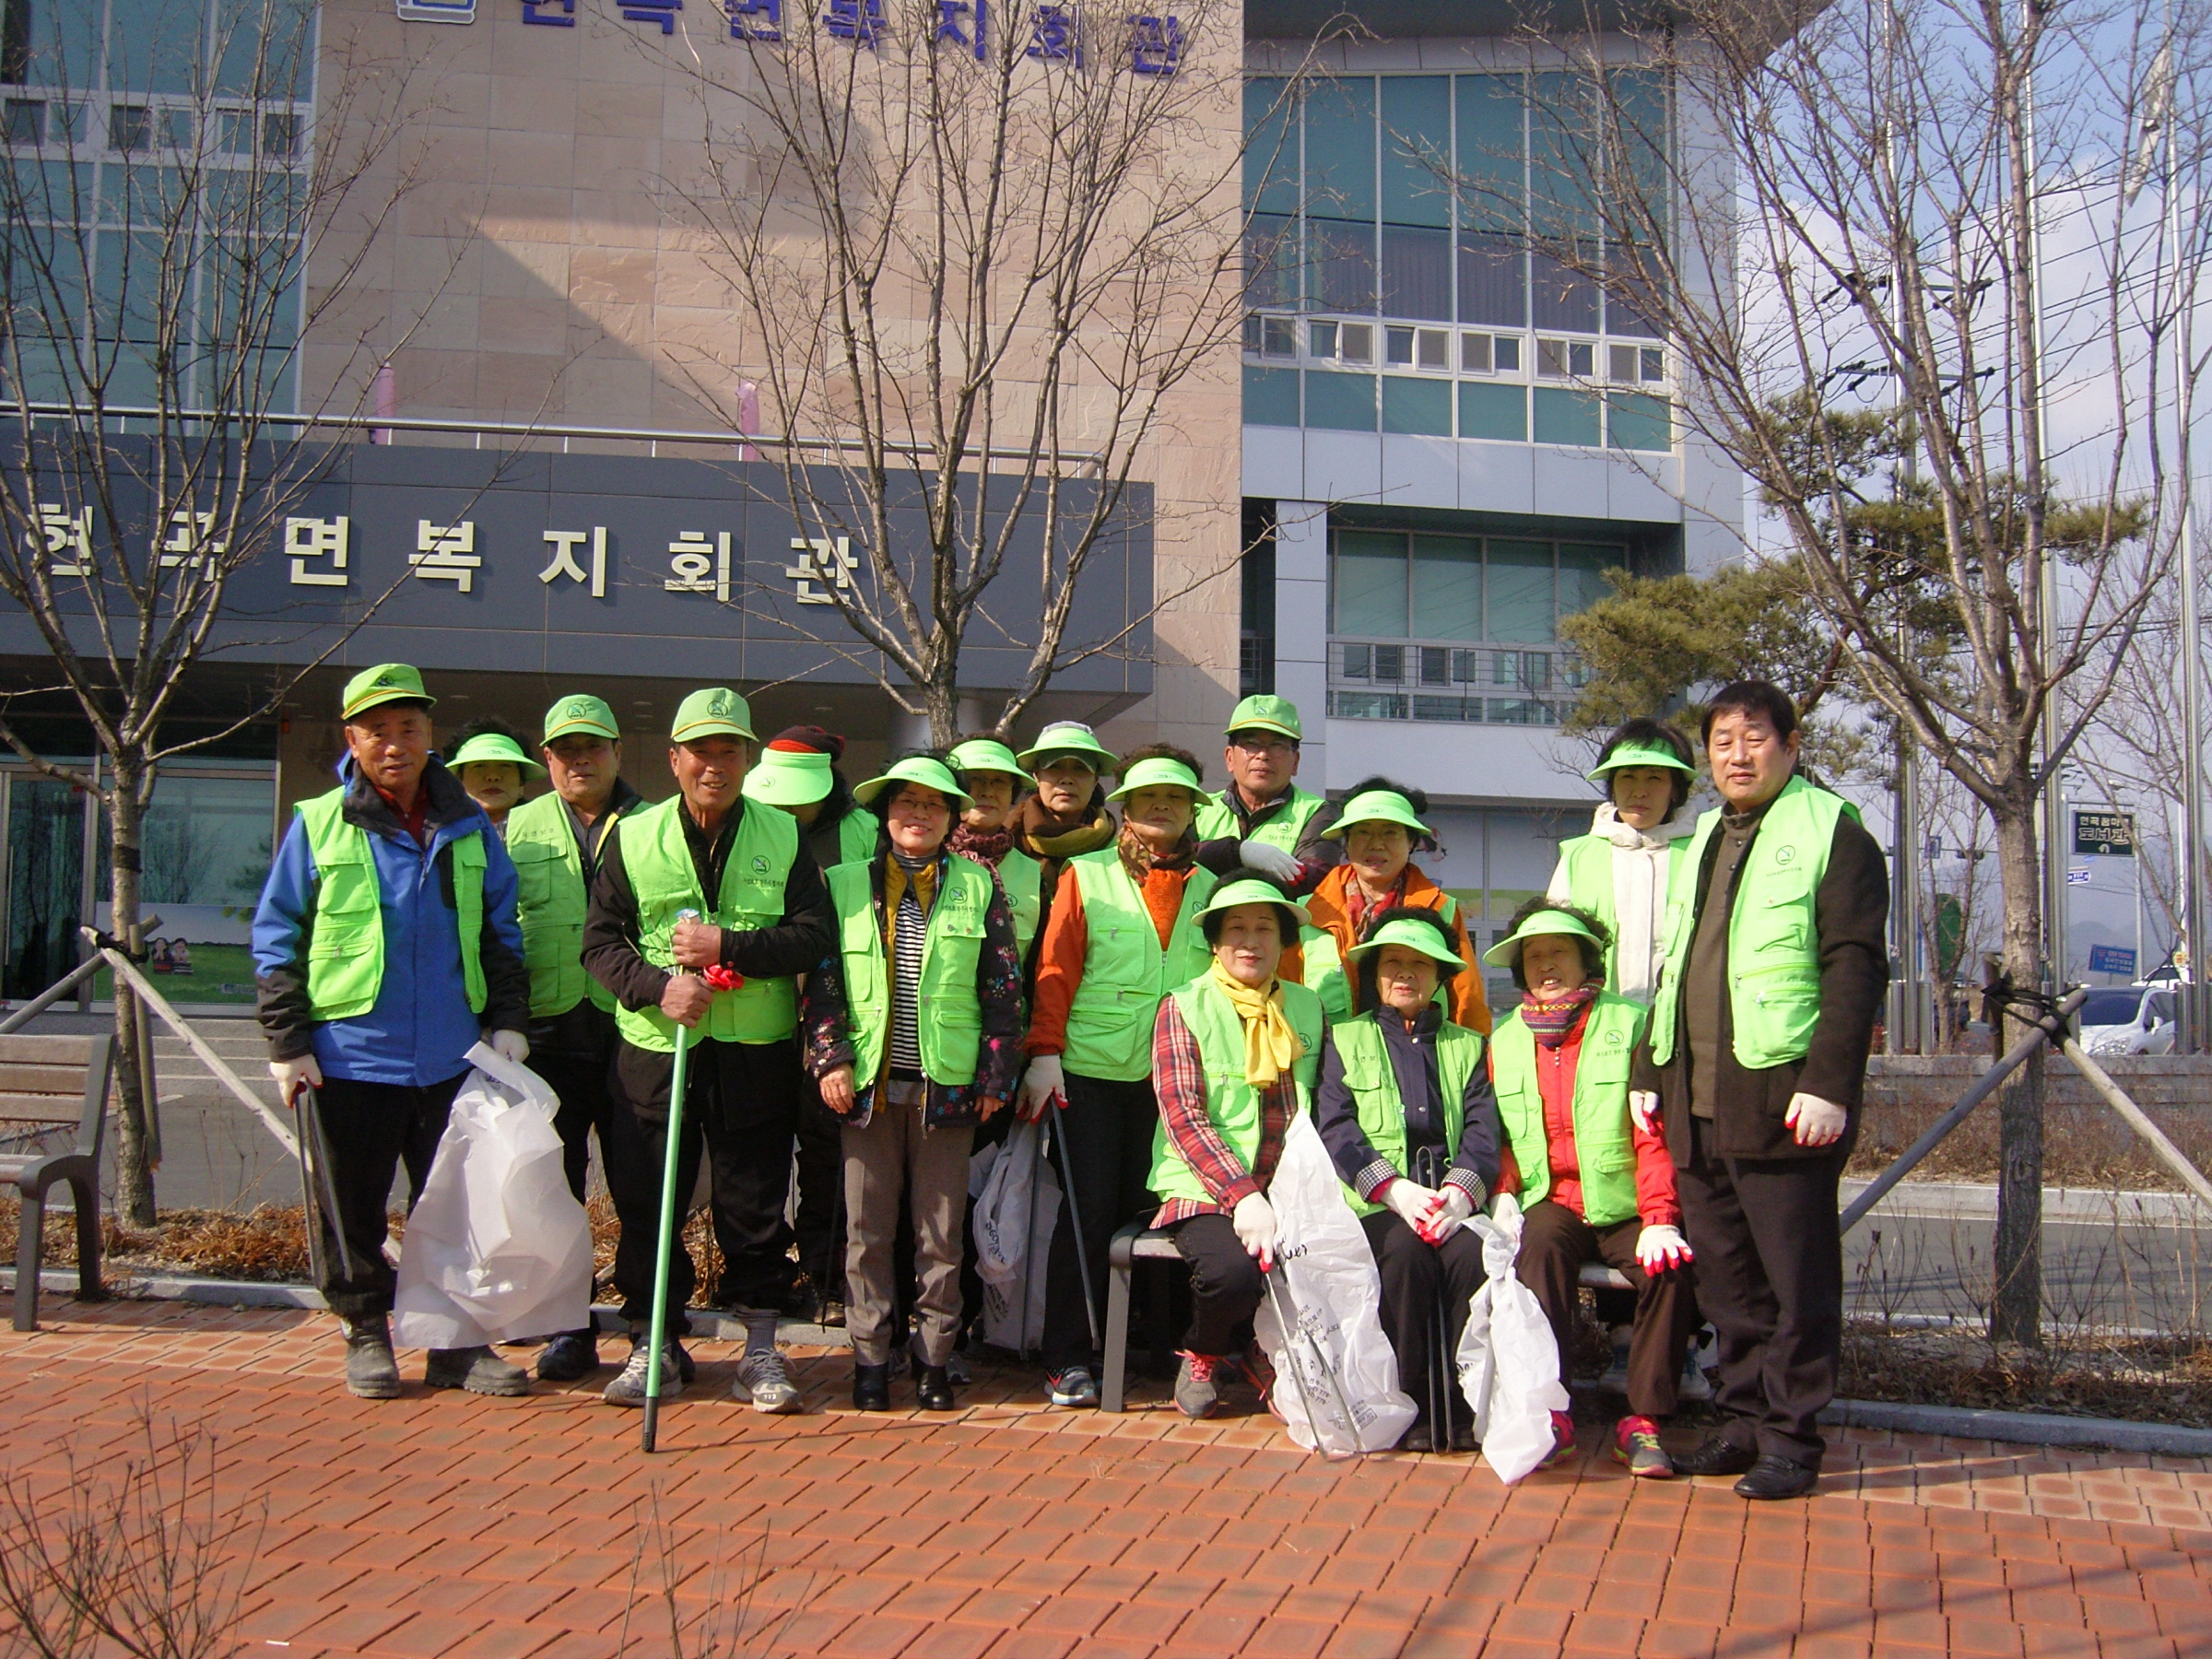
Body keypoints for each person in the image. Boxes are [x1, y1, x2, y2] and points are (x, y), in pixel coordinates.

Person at [1631, 680, 1888, 1500]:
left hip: (1783, 1095)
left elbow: (1855, 963)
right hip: (1697, 1095)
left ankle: (1792, 1437)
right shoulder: (1706, 833)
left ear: (1792, 744)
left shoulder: (1833, 832)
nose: (1736, 755)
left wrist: (1829, 1082)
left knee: (1793, 1280)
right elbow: (1676, 964)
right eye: (1721, 742)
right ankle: (1742, 1420)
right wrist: (1648, 1065)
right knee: (1728, 1280)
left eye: (1753, 738)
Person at [252, 664, 533, 1400]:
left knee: (457, 1208)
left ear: (429, 735)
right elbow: (278, 934)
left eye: (408, 728)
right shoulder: (319, 821)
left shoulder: (469, 824)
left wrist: (506, 1022)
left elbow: (502, 931)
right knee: (351, 1207)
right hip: (349, 1058)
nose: (395, 743)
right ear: (353, 739)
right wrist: (288, 1044)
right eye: (377, 730)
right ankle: (365, 1331)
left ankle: (457, 1346)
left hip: (452, 1054)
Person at [582, 688, 837, 1412]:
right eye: (701, 751)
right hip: (656, 1051)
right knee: (646, 1199)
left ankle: (759, 1347)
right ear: (674, 759)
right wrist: (656, 986)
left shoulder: (783, 837)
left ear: (747, 759)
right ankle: (652, 1341)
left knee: (752, 1198)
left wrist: (731, 947)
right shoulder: (632, 836)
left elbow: (812, 937)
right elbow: (599, 944)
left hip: (752, 1049)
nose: (714, 765)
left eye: (729, 751)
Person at [802, 754, 1025, 1410]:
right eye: (906, 803)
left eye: (933, 805)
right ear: (885, 814)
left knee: (940, 1234)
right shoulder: (841, 883)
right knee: (868, 1232)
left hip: (946, 1088)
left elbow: (1003, 987)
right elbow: (821, 981)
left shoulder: (979, 885)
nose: (918, 815)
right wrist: (830, 1057)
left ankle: (933, 1359)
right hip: (865, 1088)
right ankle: (870, 1360)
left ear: (950, 817)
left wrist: (994, 1073)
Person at [1019, 744, 1218, 1408]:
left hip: (1179, 1081)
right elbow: (1056, 968)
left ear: (1193, 810)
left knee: (1163, 1214)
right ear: (1125, 808)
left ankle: (1150, 1346)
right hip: (1093, 1073)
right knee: (1088, 1213)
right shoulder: (1086, 873)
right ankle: (1067, 1357)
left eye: (1176, 797)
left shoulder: (1213, 892)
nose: (1161, 807)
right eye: (1147, 797)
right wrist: (1044, 1052)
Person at [1483, 899, 1697, 1477]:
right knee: (1539, 1251)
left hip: (1627, 1202)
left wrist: (1661, 1216)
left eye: (1559, 952)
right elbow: (1496, 1136)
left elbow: (1653, 1134)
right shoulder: (1503, 1041)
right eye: (1533, 956)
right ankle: (1553, 1412)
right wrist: (1504, 1192)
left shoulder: (1630, 1024)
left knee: (1668, 1268)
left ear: (1586, 961)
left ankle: (1644, 1420)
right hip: (1551, 1201)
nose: (1546, 965)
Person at [1313, 909, 1498, 1452]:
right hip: (1378, 1206)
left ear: (1441, 975)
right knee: (1406, 1258)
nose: (1405, 974)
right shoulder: (1343, 1038)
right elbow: (1337, 1126)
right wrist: (1392, 1189)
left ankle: (1462, 1400)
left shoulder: (1470, 1044)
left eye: (1420, 964)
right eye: (1392, 962)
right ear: (1373, 972)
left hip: (1449, 1201)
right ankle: (1409, 1398)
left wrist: (1461, 1193)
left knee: (1470, 1257)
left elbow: (1484, 1131)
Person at [502, 693, 642, 1382]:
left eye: (593, 747)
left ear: (618, 751)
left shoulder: (656, 825)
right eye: (565, 750)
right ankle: (568, 1326)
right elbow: (495, 934)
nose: (579, 760)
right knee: (554, 1193)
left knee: (642, 1186)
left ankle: (651, 1328)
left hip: (632, 1033)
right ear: (546, 758)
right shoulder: (515, 829)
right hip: (547, 1036)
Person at [1147, 876, 1323, 1420]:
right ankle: (1204, 1350)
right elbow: (1183, 1116)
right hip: (1206, 1187)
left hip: (1290, 1184)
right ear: (1216, 943)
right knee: (1232, 1271)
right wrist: (1244, 1196)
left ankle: (1265, 1349)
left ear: (1284, 941)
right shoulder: (1182, 1005)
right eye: (1237, 929)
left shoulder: (1309, 1006)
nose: (1251, 941)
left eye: (1265, 929)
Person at [743, 724, 877, 1328]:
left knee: (829, 1154)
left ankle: (829, 1275)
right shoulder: (747, 821)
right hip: (760, 1009)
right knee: (761, 1150)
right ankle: (765, 1274)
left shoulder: (865, 832)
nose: (787, 809)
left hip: (838, 1016)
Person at [1300, 779, 1492, 1033]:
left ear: (1411, 842)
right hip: (1330, 1064)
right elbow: (1287, 994)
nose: (1376, 844)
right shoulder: (1308, 911)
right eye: (1363, 832)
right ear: (1346, 841)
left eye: (1390, 832)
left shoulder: (1442, 908)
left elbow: (1466, 997)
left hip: (1420, 1058)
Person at [1547, 719, 1700, 1003]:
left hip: (1683, 1024)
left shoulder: (1704, 850)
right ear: (1612, 786)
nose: (1639, 791)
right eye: (1628, 777)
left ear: (1675, 789)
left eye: (1654, 778)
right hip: (1598, 1024)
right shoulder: (1578, 856)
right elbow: (1556, 945)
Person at [1192, 695, 1338, 895]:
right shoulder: (1200, 809)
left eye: (1277, 745)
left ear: (1295, 762)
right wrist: (1239, 852)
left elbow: (1314, 879)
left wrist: (1215, 857)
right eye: (1251, 743)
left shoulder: (1318, 813)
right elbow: (1176, 857)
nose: (1263, 755)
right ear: (1229, 758)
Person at [1011, 722, 1121, 955]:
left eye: (1080, 769)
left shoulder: (1122, 854)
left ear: (1096, 780)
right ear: (1036, 776)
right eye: (1055, 767)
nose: (1067, 779)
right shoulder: (1005, 843)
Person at [947, 736, 1045, 962]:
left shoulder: (1033, 874)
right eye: (975, 780)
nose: (987, 792)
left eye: (999, 781)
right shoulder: (925, 859)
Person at [447, 716, 543, 835]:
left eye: (505, 765)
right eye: (479, 766)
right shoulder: (440, 832)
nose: (493, 776)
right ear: (459, 779)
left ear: (521, 782)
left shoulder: (548, 825)